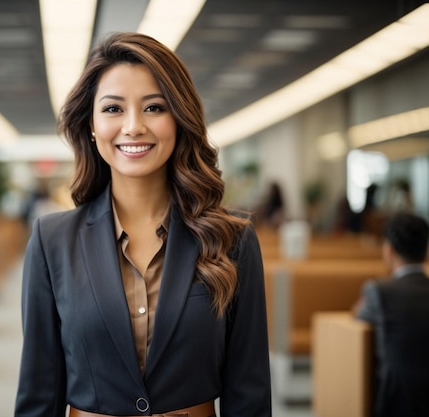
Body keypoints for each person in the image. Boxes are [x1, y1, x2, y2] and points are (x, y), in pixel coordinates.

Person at [14, 32, 271, 417]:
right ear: (91, 125)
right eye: (114, 109)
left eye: (153, 108)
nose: (133, 127)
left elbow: (248, 393)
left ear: (180, 119)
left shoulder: (232, 238)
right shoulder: (52, 242)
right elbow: (39, 392)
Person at [354, 212, 429, 417]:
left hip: (396, 402)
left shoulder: (379, 292)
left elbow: (358, 316)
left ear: (389, 251)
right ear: (427, 252)